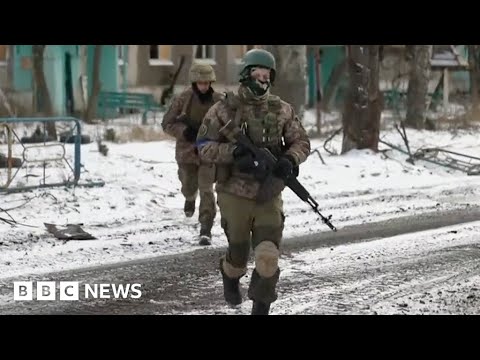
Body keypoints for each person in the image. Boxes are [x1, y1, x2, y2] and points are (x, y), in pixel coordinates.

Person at [195, 49, 311, 314]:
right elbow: (203, 145)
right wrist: (233, 153)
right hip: (234, 191)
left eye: (266, 74)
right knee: (238, 254)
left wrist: (289, 160)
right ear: (246, 75)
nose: (262, 79)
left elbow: (301, 141)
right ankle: (230, 275)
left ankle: (261, 305)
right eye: (257, 74)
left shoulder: (282, 110)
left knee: (268, 257)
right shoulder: (224, 109)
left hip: (269, 192)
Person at [161, 62, 224, 245]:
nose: (204, 86)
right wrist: (184, 131)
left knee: (206, 189)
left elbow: (228, 124)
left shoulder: (219, 101)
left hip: (209, 152)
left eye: (207, 83)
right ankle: (189, 197)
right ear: (194, 82)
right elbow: (167, 124)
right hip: (187, 152)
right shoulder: (183, 99)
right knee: (188, 184)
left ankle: (206, 228)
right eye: (200, 83)